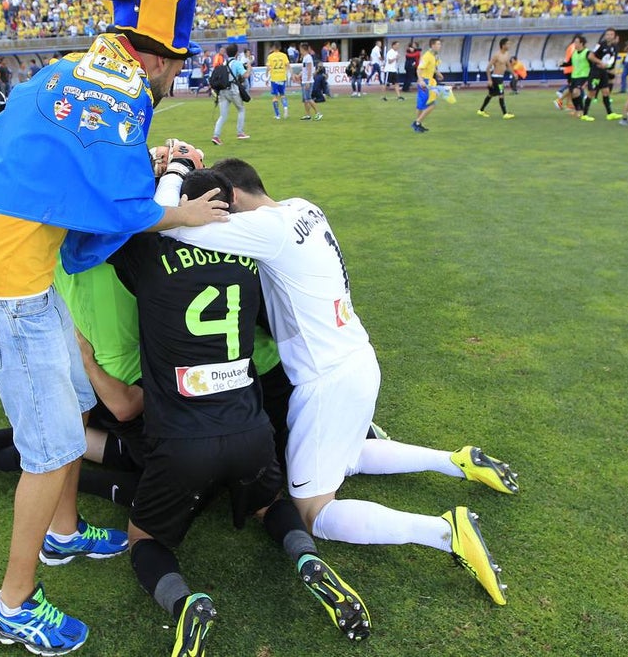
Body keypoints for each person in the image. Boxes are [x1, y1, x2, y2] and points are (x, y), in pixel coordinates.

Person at [0, 0, 228, 655]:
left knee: (66, 409)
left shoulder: (75, 67)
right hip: (7, 289)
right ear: (161, 59)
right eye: (179, 66)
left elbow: (59, 158)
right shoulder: (125, 91)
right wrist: (180, 212)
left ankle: (63, 534)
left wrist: (148, 159)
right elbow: (117, 203)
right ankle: (10, 604)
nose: (174, 79)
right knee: (54, 446)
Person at [155, 158, 517, 607]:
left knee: (312, 511)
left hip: (326, 379)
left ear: (231, 196)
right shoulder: (303, 207)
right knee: (347, 455)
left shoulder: (268, 227)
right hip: (358, 357)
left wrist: (173, 173)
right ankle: (455, 460)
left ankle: (445, 533)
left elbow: (170, 226)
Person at [110, 166, 370, 656]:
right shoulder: (247, 258)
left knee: (143, 539)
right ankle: (306, 561)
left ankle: (185, 603)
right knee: (271, 503)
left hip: (183, 441)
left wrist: (166, 177)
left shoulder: (146, 252)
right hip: (250, 432)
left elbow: (124, 224)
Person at [211, 43, 249, 145]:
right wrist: (249, 67)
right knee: (241, 109)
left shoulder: (224, 62)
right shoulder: (236, 63)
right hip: (233, 90)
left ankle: (216, 136)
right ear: (236, 53)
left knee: (223, 115)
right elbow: (245, 75)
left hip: (222, 91)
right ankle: (240, 132)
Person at [588, 29, 622, 120]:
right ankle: (585, 113)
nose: (609, 36)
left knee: (606, 91)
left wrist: (610, 68)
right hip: (596, 71)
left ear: (614, 36)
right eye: (607, 34)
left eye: (611, 34)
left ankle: (610, 113)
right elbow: (590, 56)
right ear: (605, 36)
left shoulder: (615, 47)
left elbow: (612, 59)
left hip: (604, 72)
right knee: (592, 92)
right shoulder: (600, 44)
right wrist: (600, 62)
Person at [477, 37, 515, 119]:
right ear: (503, 45)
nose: (509, 45)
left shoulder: (507, 54)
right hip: (496, 78)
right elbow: (488, 68)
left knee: (491, 94)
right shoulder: (496, 55)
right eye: (508, 44)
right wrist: (489, 80)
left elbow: (508, 66)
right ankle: (505, 114)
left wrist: (514, 73)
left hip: (501, 77)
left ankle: (481, 110)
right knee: (501, 94)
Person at [412, 37, 443, 134]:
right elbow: (419, 69)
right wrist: (421, 80)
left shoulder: (434, 56)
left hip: (428, 81)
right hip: (425, 82)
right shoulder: (427, 56)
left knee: (421, 105)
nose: (439, 46)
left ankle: (417, 124)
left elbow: (432, 67)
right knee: (432, 104)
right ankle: (417, 122)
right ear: (432, 45)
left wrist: (438, 73)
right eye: (438, 44)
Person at [297, 44, 320, 121]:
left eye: (300, 49)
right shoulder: (305, 58)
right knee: (305, 99)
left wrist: (308, 81)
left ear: (303, 49)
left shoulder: (308, 58)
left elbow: (310, 69)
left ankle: (318, 113)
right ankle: (308, 115)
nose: (300, 51)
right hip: (304, 80)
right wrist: (300, 75)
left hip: (308, 81)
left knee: (308, 98)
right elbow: (305, 69)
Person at [267, 42, 290, 119]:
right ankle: (285, 107)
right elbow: (288, 65)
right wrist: (289, 74)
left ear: (273, 47)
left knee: (275, 97)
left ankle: (278, 115)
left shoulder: (270, 56)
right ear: (280, 47)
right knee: (282, 94)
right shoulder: (284, 55)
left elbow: (268, 67)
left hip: (274, 78)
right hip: (282, 77)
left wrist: (267, 77)